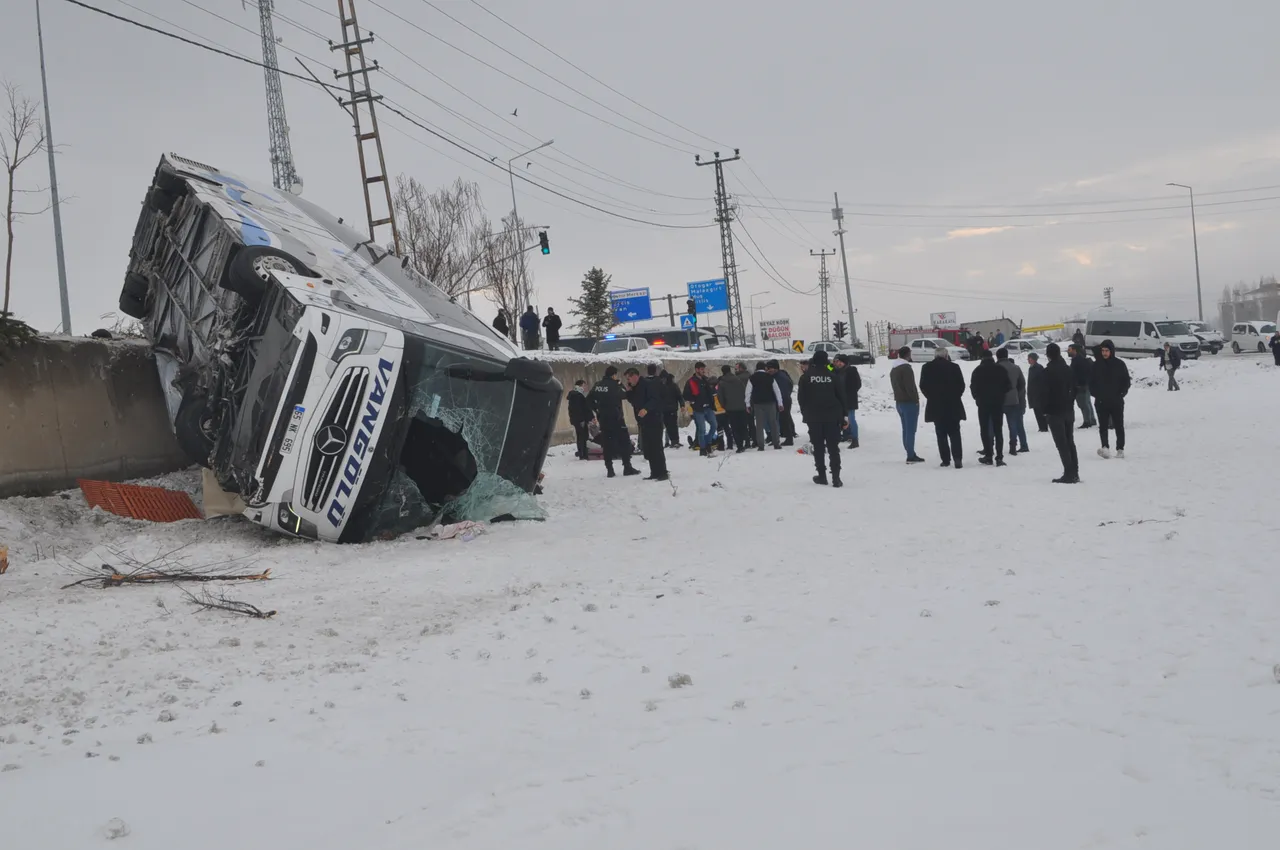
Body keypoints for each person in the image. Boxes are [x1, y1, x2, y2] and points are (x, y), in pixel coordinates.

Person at [797, 350, 848, 487]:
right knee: (833, 448)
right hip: (832, 416)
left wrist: (805, 413)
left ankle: (822, 476)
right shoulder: (833, 376)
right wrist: (844, 416)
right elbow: (841, 397)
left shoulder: (806, 377)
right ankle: (836, 478)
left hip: (814, 417)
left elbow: (801, 398)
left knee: (818, 447)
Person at [919, 345, 966, 469]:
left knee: (941, 433)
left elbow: (922, 386)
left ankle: (945, 460)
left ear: (934, 355)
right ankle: (957, 459)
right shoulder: (954, 367)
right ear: (946, 355)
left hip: (936, 406)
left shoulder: (926, 368)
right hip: (953, 405)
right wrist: (956, 396)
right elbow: (961, 385)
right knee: (955, 432)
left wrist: (931, 397)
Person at [588, 366, 639, 478]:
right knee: (624, 442)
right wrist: (620, 384)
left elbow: (589, 399)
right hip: (617, 419)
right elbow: (624, 394)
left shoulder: (597, 385)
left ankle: (610, 469)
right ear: (614, 375)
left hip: (604, 419)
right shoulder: (615, 385)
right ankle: (627, 467)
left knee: (607, 445)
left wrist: (597, 409)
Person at [1043, 343, 1080, 483]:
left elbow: (1044, 393)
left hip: (1054, 411)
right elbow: (1074, 388)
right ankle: (1075, 471)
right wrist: (1070, 401)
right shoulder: (1068, 369)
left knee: (1061, 443)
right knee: (1070, 441)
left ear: (1048, 355)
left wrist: (1045, 409)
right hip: (1068, 410)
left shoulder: (1047, 372)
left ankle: (1069, 473)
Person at [970, 349, 1012, 467]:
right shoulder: (1000, 369)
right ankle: (999, 457)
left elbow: (973, 387)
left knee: (984, 430)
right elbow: (1008, 386)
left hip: (983, 404)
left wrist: (977, 398)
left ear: (982, 358)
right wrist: (1000, 395)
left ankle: (988, 455)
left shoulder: (978, 371)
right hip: (998, 403)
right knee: (998, 430)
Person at [624, 367, 668, 480]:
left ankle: (662, 472)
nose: (629, 381)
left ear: (635, 376)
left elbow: (655, 399)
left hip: (654, 419)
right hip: (643, 421)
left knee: (656, 447)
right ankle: (654, 472)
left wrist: (646, 409)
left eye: (629, 378)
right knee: (648, 448)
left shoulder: (648, 384)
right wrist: (628, 391)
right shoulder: (635, 388)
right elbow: (633, 401)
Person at [1091, 339, 1130, 459]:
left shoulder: (1119, 364)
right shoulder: (1096, 365)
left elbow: (1126, 381)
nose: (1104, 353)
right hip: (1101, 401)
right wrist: (1096, 394)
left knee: (1119, 425)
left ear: (1111, 351)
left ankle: (1120, 449)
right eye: (1102, 350)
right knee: (1103, 426)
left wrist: (1121, 394)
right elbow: (1091, 383)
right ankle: (1105, 447)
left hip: (1116, 401)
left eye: (1107, 350)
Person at [889, 347, 925, 463]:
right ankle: (910, 455)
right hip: (909, 402)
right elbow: (910, 386)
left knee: (905, 429)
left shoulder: (894, 368)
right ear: (908, 354)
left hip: (899, 401)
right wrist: (915, 399)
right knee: (911, 430)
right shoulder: (906, 368)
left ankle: (909, 451)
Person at [996, 347, 1029, 455]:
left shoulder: (995, 367)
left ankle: (993, 446)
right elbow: (1022, 385)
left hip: (997, 400)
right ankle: (1013, 445)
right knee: (1013, 424)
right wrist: (1018, 396)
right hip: (1013, 399)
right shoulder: (1015, 368)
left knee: (995, 425)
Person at [682, 361, 719, 457]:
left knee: (714, 425)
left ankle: (708, 442)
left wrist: (713, 387)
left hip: (709, 407)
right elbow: (686, 395)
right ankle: (703, 448)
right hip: (698, 409)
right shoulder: (691, 381)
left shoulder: (706, 380)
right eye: (702, 369)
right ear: (697, 370)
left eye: (704, 369)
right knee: (701, 429)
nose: (703, 371)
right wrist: (693, 402)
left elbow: (713, 391)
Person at [745, 360, 783, 450]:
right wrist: (780, 403)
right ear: (765, 368)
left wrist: (747, 404)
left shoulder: (752, 378)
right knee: (773, 423)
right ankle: (776, 443)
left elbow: (748, 392)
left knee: (759, 425)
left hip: (758, 404)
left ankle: (761, 446)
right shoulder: (770, 377)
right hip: (770, 403)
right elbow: (777, 391)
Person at [717, 364, 750, 453]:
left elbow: (720, 397)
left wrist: (725, 406)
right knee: (743, 425)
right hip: (742, 406)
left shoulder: (722, 382)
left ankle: (740, 446)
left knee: (735, 427)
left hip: (731, 408)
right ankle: (747, 442)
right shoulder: (738, 379)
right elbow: (744, 391)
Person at [833, 353, 862, 448]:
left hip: (849, 399)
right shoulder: (836, 370)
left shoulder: (851, 370)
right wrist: (832, 363)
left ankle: (855, 439)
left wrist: (850, 393)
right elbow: (827, 368)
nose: (838, 363)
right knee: (843, 418)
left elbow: (857, 384)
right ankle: (846, 435)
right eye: (838, 362)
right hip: (840, 399)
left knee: (851, 419)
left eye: (840, 362)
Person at [1069, 343, 1097, 428]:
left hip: (1081, 385)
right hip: (1084, 385)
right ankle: (1091, 419)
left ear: (1075, 350)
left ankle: (1087, 421)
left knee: (1083, 404)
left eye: (1070, 349)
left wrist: (1078, 383)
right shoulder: (1079, 359)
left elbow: (1080, 374)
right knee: (1087, 403)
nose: (1068, 351)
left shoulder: (1078, 361)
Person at [769, 360, 796, 447]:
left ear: (775, 368)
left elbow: (782, 390)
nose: (768, 370)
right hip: (786, 399)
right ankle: (789, 435)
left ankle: (789, 438)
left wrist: (780, 400)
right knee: (785, 418)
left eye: (770, 368)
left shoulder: (779, 377)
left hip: (783, 400)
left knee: (784, 419)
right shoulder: (782, 375)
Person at [567, 378, 593, 460]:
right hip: (580, 419)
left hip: (576, 419)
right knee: (583, 436)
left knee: (580, 436)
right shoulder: (578, 396)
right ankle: (583, 454)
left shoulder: (574, 395)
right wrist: (584, 419)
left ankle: (582, 452)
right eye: (584, 385)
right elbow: (582, 408)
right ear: (581, 385)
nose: (585, 388)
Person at [659, 370, 682, 448]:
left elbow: (679, 396)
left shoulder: (673, 386)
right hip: (664, 409)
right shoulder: (660, 386)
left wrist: (682, 405)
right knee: (668, 426)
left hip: (671, 409)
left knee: (673, 426)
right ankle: (671, 441)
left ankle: (674, 441)